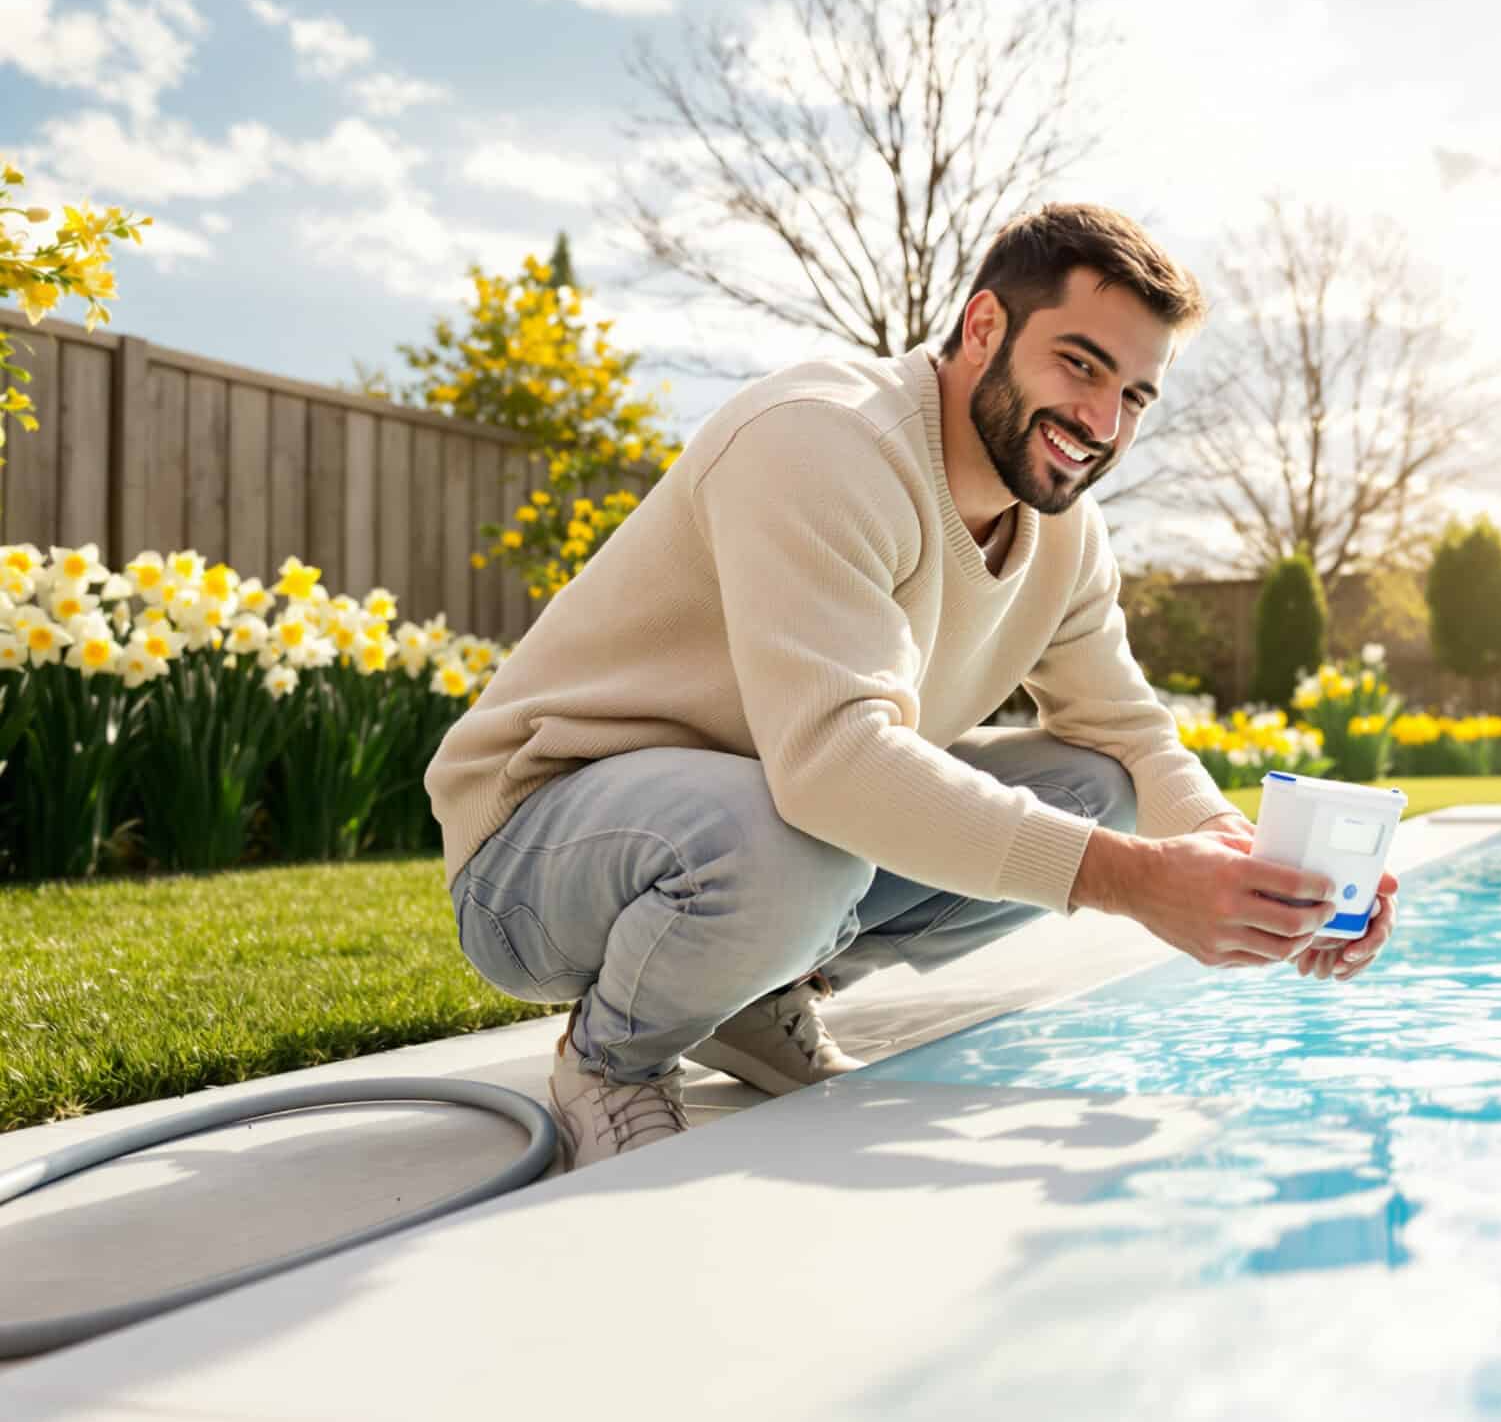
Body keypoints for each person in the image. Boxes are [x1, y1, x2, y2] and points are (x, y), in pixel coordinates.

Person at [425, 204, 1400, 1171]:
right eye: (1080, 363)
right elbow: (835, 765)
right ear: (984, 328)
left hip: (752, 826)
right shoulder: (820, 439)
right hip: (536, 852)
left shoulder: (1061, 532)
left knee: (1093, 787)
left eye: (1136, 396)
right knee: (805, 845)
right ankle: (611, 1063)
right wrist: (1135, 880)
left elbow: (1130, 737)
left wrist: (1249, 872)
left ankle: (757, 995)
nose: (1102, 424)